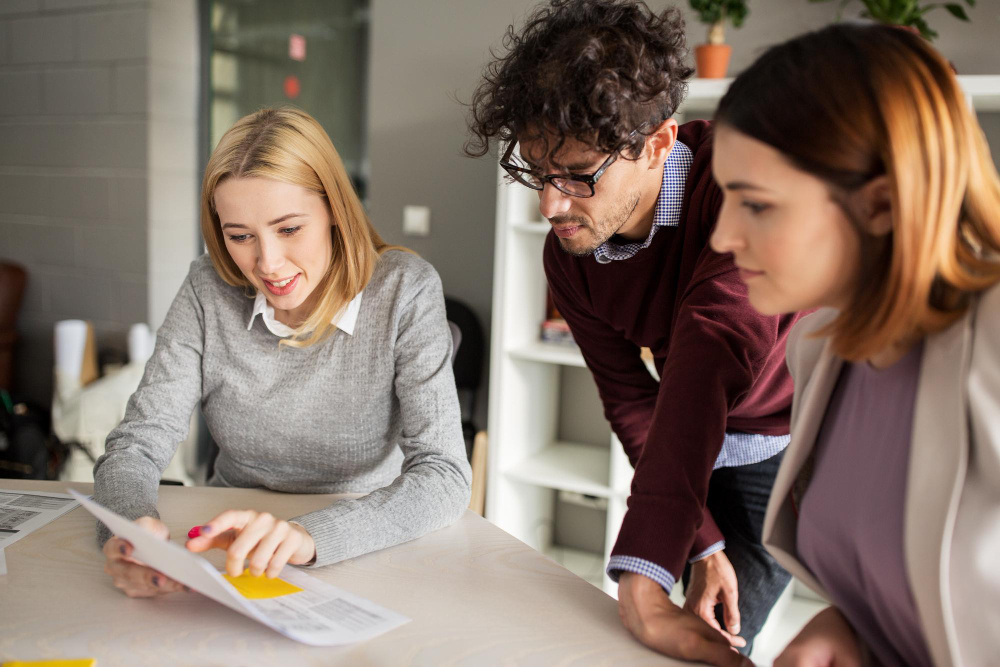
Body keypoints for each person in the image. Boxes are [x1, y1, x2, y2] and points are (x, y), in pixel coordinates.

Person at [467, 1, 801, 662]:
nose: (550, 205)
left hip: (776, 446)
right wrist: (698, 541)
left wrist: (652, 564)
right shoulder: (568, 256)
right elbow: (631, 398)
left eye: (578, 177)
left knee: (725, 636)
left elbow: (713, 343)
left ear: (657, 143)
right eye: (537, 173)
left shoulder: (734, 194)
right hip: (677, 443)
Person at [709, 23, 1000, 667]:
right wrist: (851, 627)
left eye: (755, 205)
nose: (722, 235)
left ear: (881, 205)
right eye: (724, 197)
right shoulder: (823, 348)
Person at [96, 107, 471, 596]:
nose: (267, 264)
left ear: (335, 209)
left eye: (289, 229)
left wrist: (306, 537)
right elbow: (136, 444)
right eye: (240, 236)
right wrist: (130, 530)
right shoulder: (208, 288)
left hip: (363, 539)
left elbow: (443, 477)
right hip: (226, 541)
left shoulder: (406, 290)